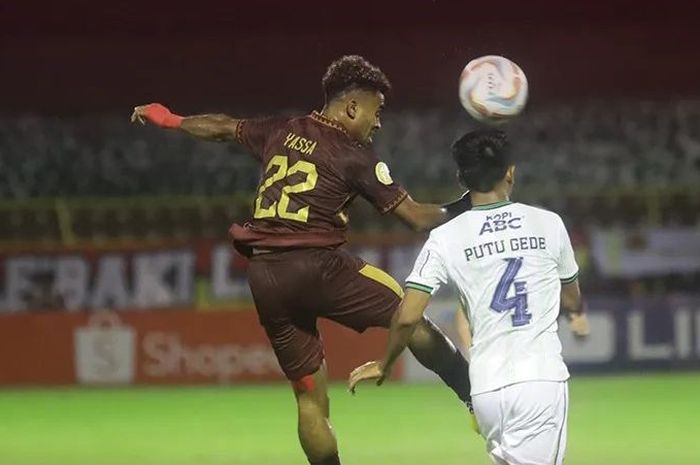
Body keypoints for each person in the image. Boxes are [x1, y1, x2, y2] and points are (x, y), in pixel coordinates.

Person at [131, 55, 473, 465]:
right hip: (317, 267)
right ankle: (473, 396)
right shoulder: (354, 155)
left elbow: (221, 126)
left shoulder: (280, 129)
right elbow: (417, 217)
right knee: (410, 314)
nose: (377, 123)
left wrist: (168, 118)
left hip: (265, 278)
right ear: (352, 107)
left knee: (309, 400)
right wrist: (474, 200)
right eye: (375, 111)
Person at [349, 129, 590, 465]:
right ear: (510, 172)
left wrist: (385, 363)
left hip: (486, 388)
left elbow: (407, 315)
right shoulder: (549, 224)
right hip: (539, 380)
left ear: (461, 177)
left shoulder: (445, 237)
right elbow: (571, 298)